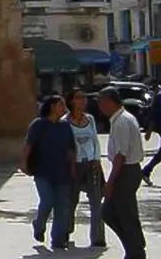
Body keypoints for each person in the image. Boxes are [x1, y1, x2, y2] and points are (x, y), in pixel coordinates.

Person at [20, 95, 75, 250]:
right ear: (52, 106)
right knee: (48, 201)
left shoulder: (65, 126)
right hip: (43, 172)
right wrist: (23, 162)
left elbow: (71, 150)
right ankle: (39, 224)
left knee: (62, 206)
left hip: (63, 173)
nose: (64, 108)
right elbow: (28, 145)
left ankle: (57, 240)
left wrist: (73, 167)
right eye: (61, 104)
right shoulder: (39, 125)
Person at [99, 87, 147, 259]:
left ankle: (135, 251)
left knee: (123, 214)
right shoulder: (121, 119)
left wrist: (110, 183)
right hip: (128, 170)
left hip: (126, 171)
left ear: (110, 102)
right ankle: (135, 244)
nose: (100, 106)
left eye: (102, 102)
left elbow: (121, 155)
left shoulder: (121, 122)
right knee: (110, 212)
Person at [63, 90, 105, 248]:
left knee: (96, 201)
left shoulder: (90, 119)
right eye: (79, 97)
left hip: (91, 163)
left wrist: (97, 159)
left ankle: (98, 237)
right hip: (74, 165)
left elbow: (95, 140)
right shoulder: (65, 122)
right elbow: (65, 146)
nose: (83, 100)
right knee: (71, 200)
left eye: (83, 97)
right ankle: (65, 231)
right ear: (72, 101)